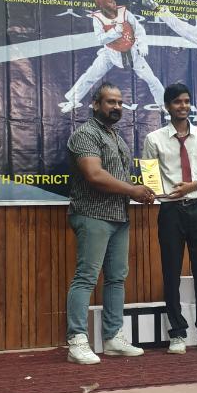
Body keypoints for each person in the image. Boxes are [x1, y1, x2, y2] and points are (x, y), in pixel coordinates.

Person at [65, 82, 156, 364]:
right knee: (86, 277)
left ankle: (113, 338)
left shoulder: (116, 136)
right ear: (95, 104)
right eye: (110, 102)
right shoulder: (85, 134)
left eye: (119, 102)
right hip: (92, 214)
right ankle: (77, 341)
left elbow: (120, 178)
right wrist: (132, 190)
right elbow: (94, 175)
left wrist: (145, 190)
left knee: (116, 278)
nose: (116, 107)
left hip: (119, 216)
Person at [143, 82, 197, 354]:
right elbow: (150, 178)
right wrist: (162, 194)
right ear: (167, 106)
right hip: (171, 212)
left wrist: (191, 186)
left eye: (187, 101)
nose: (183, 106)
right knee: (171, 273)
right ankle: (177, 334)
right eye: (178, 102)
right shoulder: (153, 139)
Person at [59, 0, 165, 114]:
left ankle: (163, 104)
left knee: (151, 79)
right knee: (90, 76)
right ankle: (73, 101)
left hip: (132, 53)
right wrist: (115, 31)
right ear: (102, 4)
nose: (114, 3)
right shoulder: (98, 18)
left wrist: (142, 45)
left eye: (113, 0)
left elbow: (139, 30)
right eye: (110, 2)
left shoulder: (124, 13)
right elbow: (101, 39)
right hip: (110, 53)